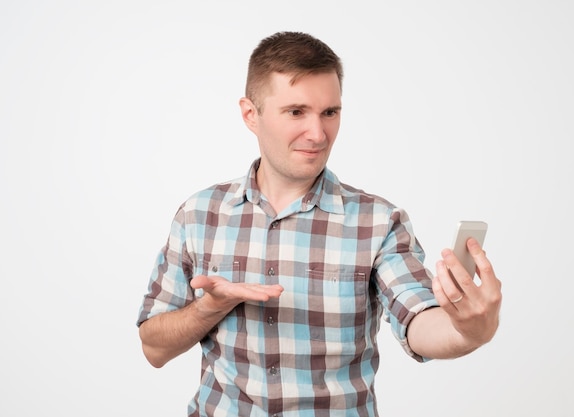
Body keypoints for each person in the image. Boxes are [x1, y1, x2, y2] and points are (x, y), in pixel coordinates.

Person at [137, 31, 502, 417]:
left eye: (330, 112)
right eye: (296, 112)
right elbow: (154, 347)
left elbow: (420, 323)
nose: (318, 134)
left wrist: (469, 329)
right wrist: (210, 307)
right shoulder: (199, 214)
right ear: (250, 114)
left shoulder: (378, 222)